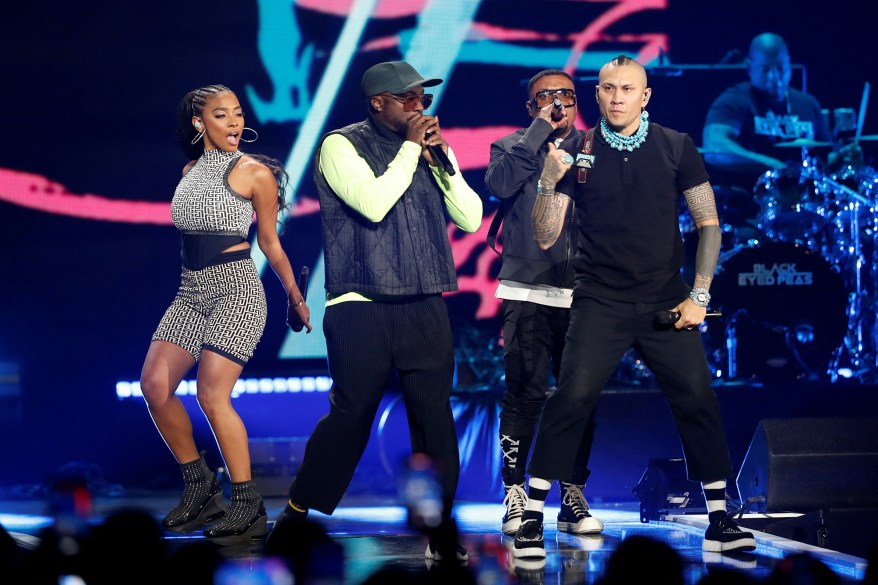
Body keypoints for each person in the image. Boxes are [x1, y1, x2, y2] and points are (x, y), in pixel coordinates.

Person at [511, 55, 756, 559]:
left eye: (628, 89)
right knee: (572, 397)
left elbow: (708, 222)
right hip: (600, 298)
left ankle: (719, 518)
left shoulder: (674, 145)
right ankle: (533, 515)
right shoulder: (575, 148)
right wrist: (547, 181)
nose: (617, 97)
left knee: (698, 398)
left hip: (667, 300)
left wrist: (700, 294)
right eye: (607, 89)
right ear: (596, 95)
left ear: (645, 96)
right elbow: (543, 234)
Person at [269, 61, 483, 562]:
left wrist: (441, 161)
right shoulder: (340, 145)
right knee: (352, 416)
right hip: (361, 304)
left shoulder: (429, 151)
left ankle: (439, 529)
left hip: (423, 302)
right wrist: (413, 149)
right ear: (378, 104)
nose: (419, 107)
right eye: (408, 99)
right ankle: (299, 510)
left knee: (433, 419)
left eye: (423, 99)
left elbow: (471, 218)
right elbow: (372, 202)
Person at [139, 84, 312, 545]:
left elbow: (270, 244)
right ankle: (200, 486)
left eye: (237, 113)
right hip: (191, 291)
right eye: (221, 115)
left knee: (212, 395)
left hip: (236, 290)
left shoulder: (254, 173)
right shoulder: (190, 170)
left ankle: (247, 503)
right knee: (155, 387)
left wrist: (294, 296)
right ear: (200, 123)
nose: (234, 122)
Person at [484, 69, 602, 537]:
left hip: (585, 291)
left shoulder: (598, 147)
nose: (558, 103)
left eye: (566, 96)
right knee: (524, 394)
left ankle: (571, 494)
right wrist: (538, 134)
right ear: (530, 107)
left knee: (580, 398)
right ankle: (515, 494)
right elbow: (499, 183)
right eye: (545, 97)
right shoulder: (512, 146)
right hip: (529, 288)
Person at [703, 33, 832, 173]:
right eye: (765, 69)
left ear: (789, 63)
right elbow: (715, 148)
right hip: (751, 190)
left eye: (780, 68)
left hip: (804, 190)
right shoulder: (733, 101)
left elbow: (826, 157)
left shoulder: (809, 104)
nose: (775, 77)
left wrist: (843, 159)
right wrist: (771, 165)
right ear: (750, 69)